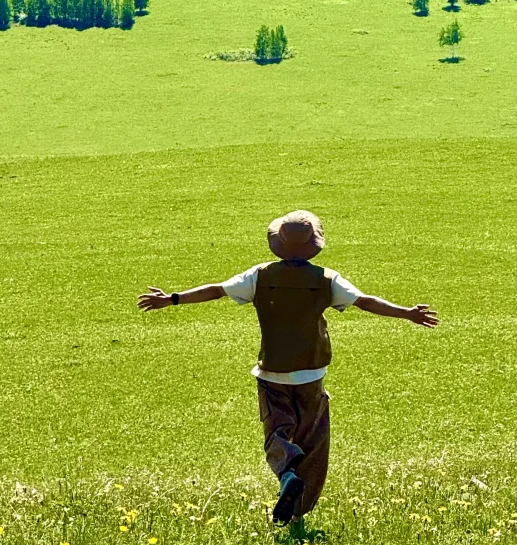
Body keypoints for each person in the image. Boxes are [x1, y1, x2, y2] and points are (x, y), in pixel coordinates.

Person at [138, 210, 438, 525]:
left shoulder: (259, 276)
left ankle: (286, 474)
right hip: (311, 375)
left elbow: (216, 290)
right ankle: (297, 514)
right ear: (313, 245)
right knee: (313, 442)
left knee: (276, 434)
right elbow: (365, 301)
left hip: (272, 373)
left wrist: (173, 299)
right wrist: (408, 313)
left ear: (278, 243)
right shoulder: (327, 279)